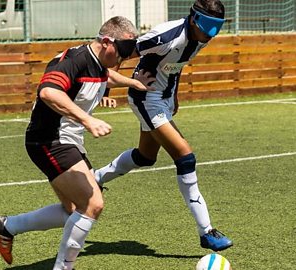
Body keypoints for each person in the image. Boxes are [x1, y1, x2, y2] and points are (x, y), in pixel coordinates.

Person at [0, 16, 154, 270]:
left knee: (73, 209)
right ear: (107, 41)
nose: (125, 57)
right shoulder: (73, 60)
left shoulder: (99, 62)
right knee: (93, 204)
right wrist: (88, 120)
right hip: (49, 139)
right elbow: (48, 92)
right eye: (122, 50)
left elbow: (106, 76)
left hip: (67, 140)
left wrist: (133, 82)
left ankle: (6, 226)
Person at [96, 0, 233, 252]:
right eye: (208, 26)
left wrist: (174, 96)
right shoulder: (165, 36)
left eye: (218, 27)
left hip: (163, 99)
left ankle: (97, 177)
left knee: (145, 157)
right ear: (194, 19)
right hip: (146, 98)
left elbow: (174, 67)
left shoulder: (201, 37)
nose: (211, 34)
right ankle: (206, 232)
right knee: (185, 157)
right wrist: (109, 85)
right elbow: (120, 51)